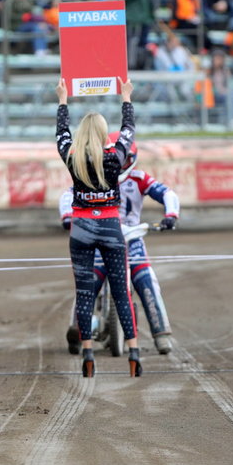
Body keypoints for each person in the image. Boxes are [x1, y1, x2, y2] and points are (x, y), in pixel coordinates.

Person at [58, 143, 180, 355]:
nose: (116, 163)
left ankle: (161, 333)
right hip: (100, 236)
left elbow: (167, 193)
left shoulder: (139, 178)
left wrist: (171, 215)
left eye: (121, 158)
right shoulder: (92, 173)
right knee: (88, 282)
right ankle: (77, 328)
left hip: (132, 238)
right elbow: (68, 194)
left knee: (146, 280)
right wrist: (68, 216)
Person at [55, 77, 140, 378]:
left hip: (81, 226)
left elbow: (61, 135)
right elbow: (129, 132)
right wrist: (126, 98)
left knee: (84, 292)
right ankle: (133, 351)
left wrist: (63, 101)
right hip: (109, 225)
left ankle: (88, 353)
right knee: (121, 292)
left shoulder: (73, 157)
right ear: (104, 133)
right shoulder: (113, 157)